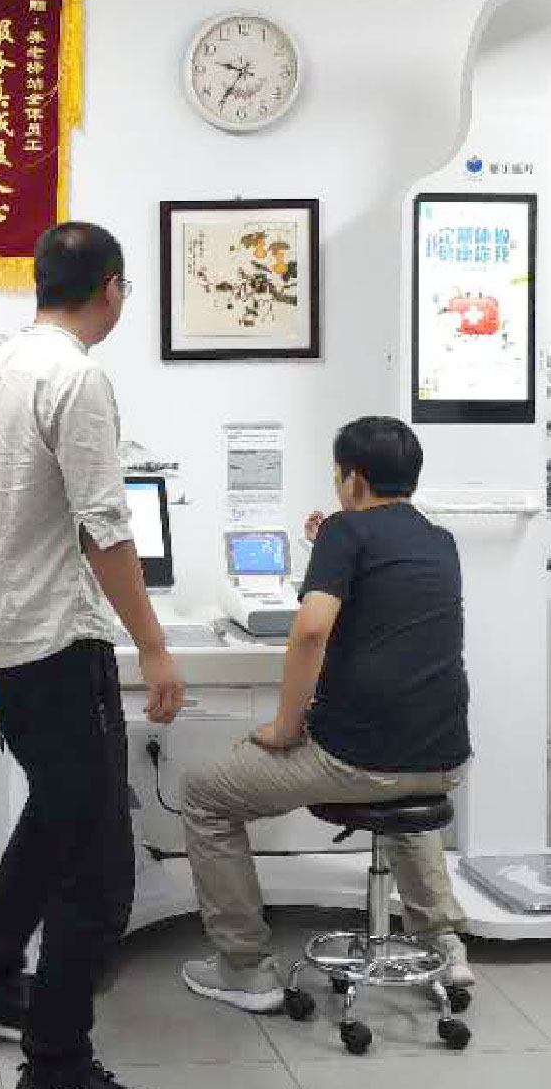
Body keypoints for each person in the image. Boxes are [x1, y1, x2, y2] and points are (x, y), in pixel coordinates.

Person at [0, 221, 187, 1089]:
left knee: (56, 810)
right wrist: (154, 648)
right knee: (100, 868)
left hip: (0, 640)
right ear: (111, 288)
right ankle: (55, 1062)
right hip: (56, 644)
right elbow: (104, 529)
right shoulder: (76, 378)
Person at [178, 416, 474, 1012]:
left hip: (359, 761)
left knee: (203, 794)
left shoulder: (347, 530)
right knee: (399, 778)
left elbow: (311, 629)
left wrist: (285, 728)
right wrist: (328, 548)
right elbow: (386, 606)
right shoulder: (437, 539)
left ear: (353, 478)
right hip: (443, 758)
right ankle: (443, 942)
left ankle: (244, 966)